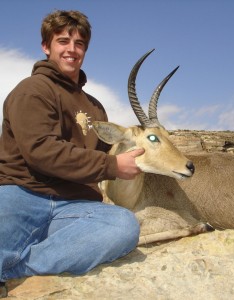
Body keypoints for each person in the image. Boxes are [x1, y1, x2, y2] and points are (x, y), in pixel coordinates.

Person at [0, 10, 144, 296]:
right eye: (63, 41)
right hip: (22, 194)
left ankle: (16, 268)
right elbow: (41, 150)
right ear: (46, 46)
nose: (71, 49)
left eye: (79, 43)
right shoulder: (32, 90)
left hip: (76, 205)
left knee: (124, 226)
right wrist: (112, 165)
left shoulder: (95, 106)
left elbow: (107, 151)